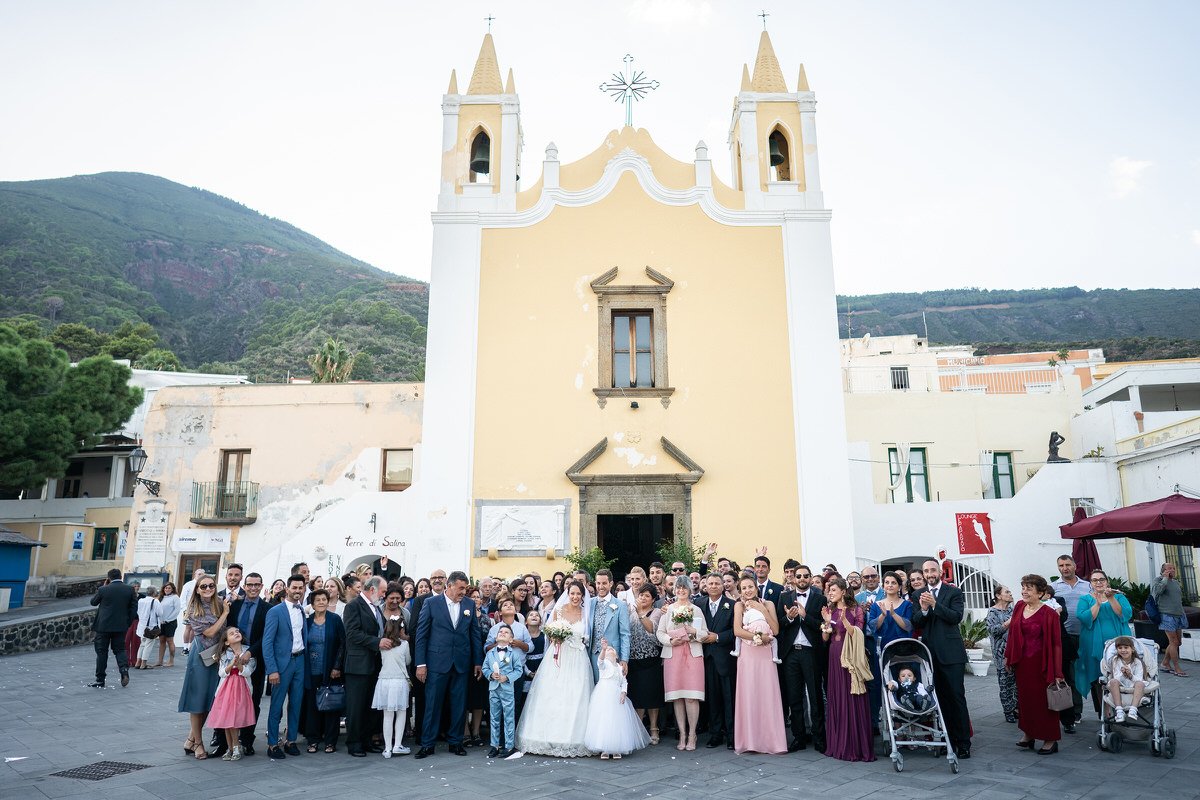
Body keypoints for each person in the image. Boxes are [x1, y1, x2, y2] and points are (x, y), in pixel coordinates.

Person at [516, 580, 595, 757]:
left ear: (583, 595)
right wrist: (557, 637)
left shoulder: (586, 612)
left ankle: (574, 737)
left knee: (576, 695)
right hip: (558, 656)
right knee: (554, 693)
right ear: (568, 594)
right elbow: (550, 633)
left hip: (578, 658)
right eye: (572, 593)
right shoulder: (559, 610)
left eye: (578, 594)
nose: (575, 597)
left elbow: (587, 636)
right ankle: (546, 736)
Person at [414, 570, 483, 758]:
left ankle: (456, 742)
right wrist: (421, 664)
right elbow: (421, 635)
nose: (464, 592)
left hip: (461, 663)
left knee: (459, 705)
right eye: (461, 588)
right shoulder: (430, 603)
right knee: (432, 704)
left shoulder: (469, 604)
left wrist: (478, 662)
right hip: (436, 663)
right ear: (449, 586)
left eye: (465, 588)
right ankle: (427, 744)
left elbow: (474, 634)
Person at [911, 559, 971, 759]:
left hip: (951, 654)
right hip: (930, 654)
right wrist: (925, 609)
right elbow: (916, 620)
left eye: (932, 570)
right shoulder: (918, 594)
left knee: (956, 697)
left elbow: (956, 617)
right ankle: (949, 741)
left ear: (940, 572)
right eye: (926, 571)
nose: (929, 574)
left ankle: (963, 743)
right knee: (941, 700)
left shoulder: (953, 592)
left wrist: (935, 604)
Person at [1006, 574, 1065, 755]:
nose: (1024, 592)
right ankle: (1029, 734)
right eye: (1023, 587)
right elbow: (1013, 634)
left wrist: (1057, 672)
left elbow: (1056, 644)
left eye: (1029, 589)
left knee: (1044, 702)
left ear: (1041, 593)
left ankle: (1050, 739)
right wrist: (1008, 656)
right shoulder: (1018, 607)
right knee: (1026, 701)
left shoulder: (1049, 614)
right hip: (1023, 665)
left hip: (1042, 665)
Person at [821, 577, 875, 762]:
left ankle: (855, 745)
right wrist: (827, 623)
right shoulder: (830, 610)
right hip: (834, 655)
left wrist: (842, 620)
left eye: (833, 590)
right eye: (829, 590)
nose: (830, 593)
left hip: (850, 655)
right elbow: (825, 638)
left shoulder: (856, 610)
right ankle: (838, 744)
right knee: (837, 697)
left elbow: (856, 634)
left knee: (852, 696)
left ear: (843, 591)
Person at [732, 576, 786, 754]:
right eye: (744, 588)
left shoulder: (768, 604)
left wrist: (762, 609)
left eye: (750, 587)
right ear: (740, 590)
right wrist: (757, 638)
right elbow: (737, 630)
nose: (747, 590)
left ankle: (772, 742)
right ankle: (749, 741)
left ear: (756, 588)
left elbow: (776, 630)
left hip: (765, 655)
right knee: (749, 694)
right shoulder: (739, 605)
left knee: (767, 694)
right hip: (747, 655)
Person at [778, 563, 826, 753]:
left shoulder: (820, 598)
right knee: (794, 697)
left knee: (815, 696)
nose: (802, 579)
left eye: (805, 576)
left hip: (811, 652)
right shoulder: (784, 597)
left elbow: (824, 626)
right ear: (793, 578)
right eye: (798, 576)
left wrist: (806, 617)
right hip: (790, 653)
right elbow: (778, 625)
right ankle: (798, 737)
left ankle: (820, 738)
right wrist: (789, 618)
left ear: (810, 577)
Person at [656, 575, 708, 751]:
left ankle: (692, 734)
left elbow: (705, 633)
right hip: (673, 655)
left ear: (690, 590)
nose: (681, 591)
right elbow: (660, 633)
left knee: (692, 697)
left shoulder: (696, 609)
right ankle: (682, 734)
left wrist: (693, 631)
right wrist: (670, 641)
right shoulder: (668, 610)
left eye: (684, 588)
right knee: (677, 696)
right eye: (678, 588)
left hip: (693, 655)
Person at [178, 575, 227, 760]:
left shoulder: (220, 602)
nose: (207, 588)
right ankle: (198, 743)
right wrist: (225, 614)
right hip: (200, 657)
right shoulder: (193, 609)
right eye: (203, 586)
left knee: (209, 701)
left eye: (211, 585)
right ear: (197, 589)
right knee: (197, 701)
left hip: (217, 657)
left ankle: (190, 740)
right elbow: (210, 632)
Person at [262, 574, 307, 760]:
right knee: (277, 705)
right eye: (294, 588)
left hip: (300, 661)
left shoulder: (302, 610)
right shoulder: (275, 611)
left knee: (296, 704)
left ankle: (291, 740)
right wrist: (272, 669)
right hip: (282, 664)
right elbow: (267, 642)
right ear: (287, 589)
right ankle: (273, 744)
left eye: (301, 588)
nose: (297, 591)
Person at [225, 572, 269, 756]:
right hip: (233, 657)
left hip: (256, 657)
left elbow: (267, 635)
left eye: (256, 585)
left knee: (253, 700)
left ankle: (247, 739)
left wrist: (251, 651)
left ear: (261, 586)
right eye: (249, 584)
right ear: (244, 585)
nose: (253, 588)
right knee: (229, 700)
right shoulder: (234, 606)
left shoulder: (268, 608)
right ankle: (225, 739)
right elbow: (227, 629)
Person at [344, 576, 389, 757]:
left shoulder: (376, 607)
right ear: (372, 590)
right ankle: (354, 743)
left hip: (375, 665)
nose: (384, 595)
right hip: (358, 665)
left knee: (371, 706)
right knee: (356, 706)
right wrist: (378, 642)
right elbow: (352, 633)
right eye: (383, 591)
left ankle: (367, 740)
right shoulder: (353, 606)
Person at [1076, 569, 1132, 712]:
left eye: (1101, 579)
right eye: (1095, 580)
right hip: (1094, 646)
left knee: (1121, 675)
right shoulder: (1085, 599)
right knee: (1099, 679)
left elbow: (1124, 614)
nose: (1098, 582)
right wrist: (1098, 603)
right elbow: (1085, 618)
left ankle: (1121, 709)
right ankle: (1104, 715)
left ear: (1107, 581)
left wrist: (1111, 597)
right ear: (1091, 583)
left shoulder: (1118, 597)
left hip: (1119, 644)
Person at [585, 640, 651, 759]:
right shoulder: (604, 664)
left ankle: (617, 747)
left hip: (617, 696)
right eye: (608, 650)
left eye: (612, 649)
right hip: (604, 695)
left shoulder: (620, 668)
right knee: (605, 720)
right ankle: (604, 748)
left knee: (617, 721)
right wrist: (604, 649)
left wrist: (623, 692)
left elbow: (624, 682)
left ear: (616, 655)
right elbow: (599, 661)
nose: (610, 650)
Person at [303, 588, 345, 754]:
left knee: (330, 705)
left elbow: (342, 643)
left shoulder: (335, 620)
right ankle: (313, 740)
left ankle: (330, 741)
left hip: (330, 669)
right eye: (317, 600)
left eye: (324, 599)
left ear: (328, 602)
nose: (321, 602)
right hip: (311, 669)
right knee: (312, 706)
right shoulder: (307, 621)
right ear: (312, 604)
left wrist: (337, 667)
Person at [1051, 554, 1090, 729]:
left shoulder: (1088, 586)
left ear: (1075, 566)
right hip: (1066, 637)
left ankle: (1105, 712)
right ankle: (1075, 713)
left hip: (1087, 636)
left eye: (1067, 564)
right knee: (1071, 677)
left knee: (1092, 676)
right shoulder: (1053, 588)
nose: (1064, 568)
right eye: (1061, 565)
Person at [698, 573, 736, 749]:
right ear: (705, 586)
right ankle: (715, 734)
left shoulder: (733, 605)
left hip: (725, 658)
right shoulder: (699, 604)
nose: (713, 586)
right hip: (706, 658)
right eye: (710, 583)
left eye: (717, 583)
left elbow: (736, 631)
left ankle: (732, 735)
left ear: (723, 586)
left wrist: (718, 637)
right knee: (712, 698)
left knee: (729, 698)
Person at [206, 626, 257, 761]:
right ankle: (230, 747)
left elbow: (248, 671)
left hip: (241, 688)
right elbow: (222, 673)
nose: (236, 634)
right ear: (227, 641)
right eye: (232, 633)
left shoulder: (248, 651)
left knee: (234, 719)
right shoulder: (224, 654)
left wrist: (239, 664)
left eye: (237, 632)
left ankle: (236, 746)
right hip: (226, 689)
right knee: (227, 719)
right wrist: (231, 665)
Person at [626, 583, 665, 745]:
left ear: (653, 599)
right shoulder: (630, 611)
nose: (642, 598)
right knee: (637, 695)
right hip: (634, 659)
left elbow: (652, 629)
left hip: (651, 658)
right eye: (641, 595)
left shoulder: (656, 613)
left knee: (652, 694)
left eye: (647, 596)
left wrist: (642, 614)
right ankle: (639, 728)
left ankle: (654, 728)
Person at [90, 568, 138, 688]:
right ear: (121, 576)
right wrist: (127, 623)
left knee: (102, 652)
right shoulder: (129, 589)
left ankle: (100, 679)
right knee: (120, 650)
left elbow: (93, 602)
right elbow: (133, 608)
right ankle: (124, 672)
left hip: (103, 626)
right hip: (120, 626)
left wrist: (104, 586)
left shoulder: (103, 589)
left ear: (109, 578)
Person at [483, 624, 525, 757]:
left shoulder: (514, 654)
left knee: (508, 717)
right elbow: (485, 668)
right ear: (496, 637)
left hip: (507, 689)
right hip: (494, 689)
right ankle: (494, 745)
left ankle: (509, 746)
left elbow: (519, 670)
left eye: (506, 632)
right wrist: (490, 674)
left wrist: (507, 677)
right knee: (494, 717)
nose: (502, 633)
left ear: (511, 639)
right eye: (500, 631)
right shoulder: (490, 653)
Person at [373, 615, 411, 757]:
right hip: (399, 681)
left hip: (384, 681)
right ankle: (397, 745)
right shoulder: (405, 645)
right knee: (401, 713)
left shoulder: (383, 645)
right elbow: (407, 661)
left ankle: (387, 748)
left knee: (387, 715)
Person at [589, 569, 630, 683]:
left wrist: (624, 659)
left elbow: (625, 634)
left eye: (604, 583)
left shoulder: (620, 605)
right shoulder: (590, 603)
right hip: (592, 655)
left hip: (611, 657)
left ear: (611, 584)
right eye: (598, 583)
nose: (601, 587)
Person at [985, 584, 1018, 723]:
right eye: (1007, 592)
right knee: (1005, 682)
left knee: (1016, 683)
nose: (1011, 594)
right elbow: (994, 631)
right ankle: (1008, 710)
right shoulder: (993, 612)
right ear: (998, 596)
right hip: (1000, 652)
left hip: (1015, 651)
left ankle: (1016, 708)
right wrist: (1009, 622)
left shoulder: (1013, 611)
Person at [1152, 563, 1188, 677]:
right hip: (1166, 615)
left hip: (1178, 615)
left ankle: (1165, 663)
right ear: (1163, 570)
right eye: (1169, 569)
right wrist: (1165, 579)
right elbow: (1157, 592)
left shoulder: (1176, 582)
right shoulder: (1158, 580)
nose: (1172, 570)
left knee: (1178, 642)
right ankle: (1177, 668)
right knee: (1173, 642)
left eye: (1173, 568)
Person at [1106, 635, 1148, 722]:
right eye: (1120, 648)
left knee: (1140, 684)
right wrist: (1123, 674)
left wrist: (1130, 675)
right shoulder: (1116, 660)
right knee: (1113, 681)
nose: (1123, 650)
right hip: (1122, 682)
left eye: (1126, 647)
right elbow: (1116, 677)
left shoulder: (1137, 662)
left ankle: (1133, 709)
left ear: (1132, 649)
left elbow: (1139, 679)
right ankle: (1119, 710)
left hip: (1134, 683)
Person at [134, 585, 162, 670]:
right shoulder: (155, 601)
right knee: (148, 645)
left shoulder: (141, 601)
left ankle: (137, 662)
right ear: (154, 593)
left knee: (142, 644)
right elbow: (160, 613)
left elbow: (138, 612)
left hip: (142, 625)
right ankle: (143, 663)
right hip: (151, 626)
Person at [178, 568, 205, 653]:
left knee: (195, 629)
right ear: (195, 575)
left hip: (199, 610)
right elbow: (183, 597)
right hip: (189, 609)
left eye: (202, 574)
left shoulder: (204, 585)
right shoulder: (188, 585)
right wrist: (185, 609)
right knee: (188, 628)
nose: (201, 576)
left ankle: (191, 646)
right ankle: (185, 647)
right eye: (199, 574)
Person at [154, 582, 180, 667]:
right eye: (166, 588)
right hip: (161, 623)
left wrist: (168, 620)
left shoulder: (175, 597)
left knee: (170, 640)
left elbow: (176, 610)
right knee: (161, 641)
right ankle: (160, 660)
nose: (167, 590)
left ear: (172, 589)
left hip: (170, 622)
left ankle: (171, 661)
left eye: (169, 588)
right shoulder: (161, 598)